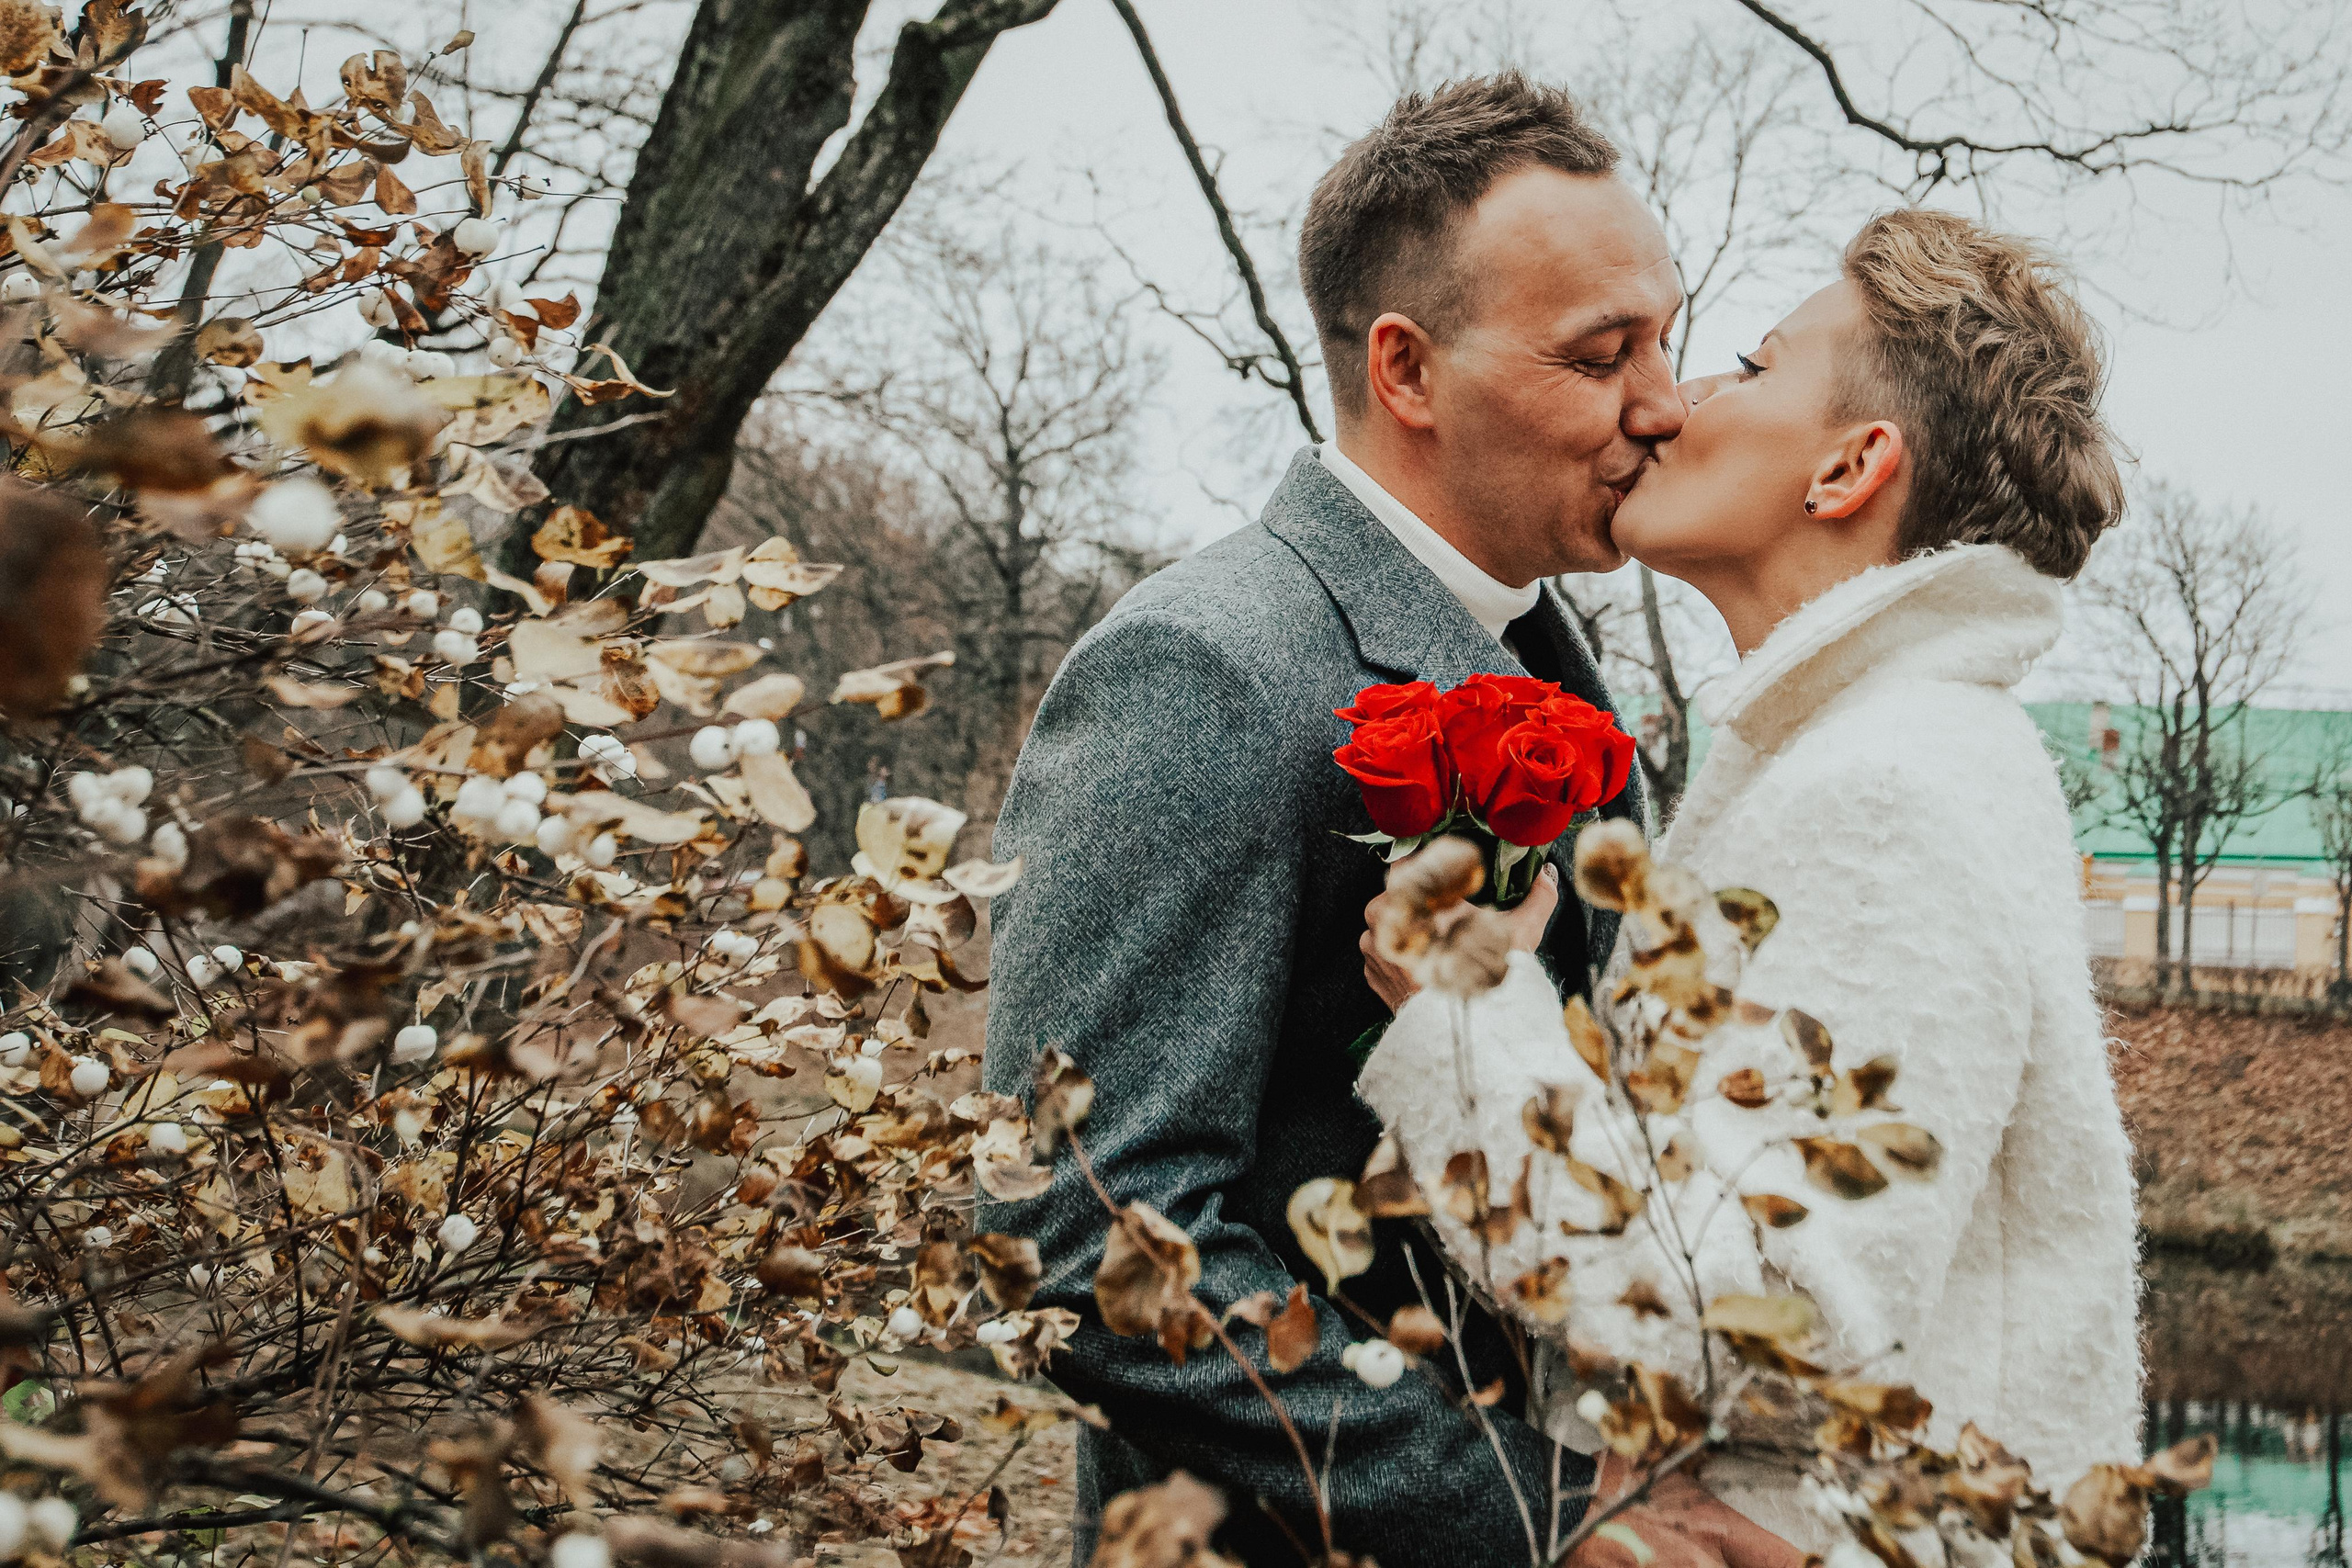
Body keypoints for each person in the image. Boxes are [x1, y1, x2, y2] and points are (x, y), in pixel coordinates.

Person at [982, 73, 1799, 1568]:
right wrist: (1535, 1517)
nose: (1665, 405)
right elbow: (1089, 1238)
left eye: (1667, 340)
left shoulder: (1566, 666)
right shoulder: (1206, 666)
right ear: (1407, 369)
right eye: (1600, 354)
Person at [1357, 209, 2143, 1552]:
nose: (1671, 405)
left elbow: (1749, 1324)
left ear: (1849, 467)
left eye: (1754, 365)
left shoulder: (1886, 788)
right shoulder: (1879, 749)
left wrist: (1466, 1019)